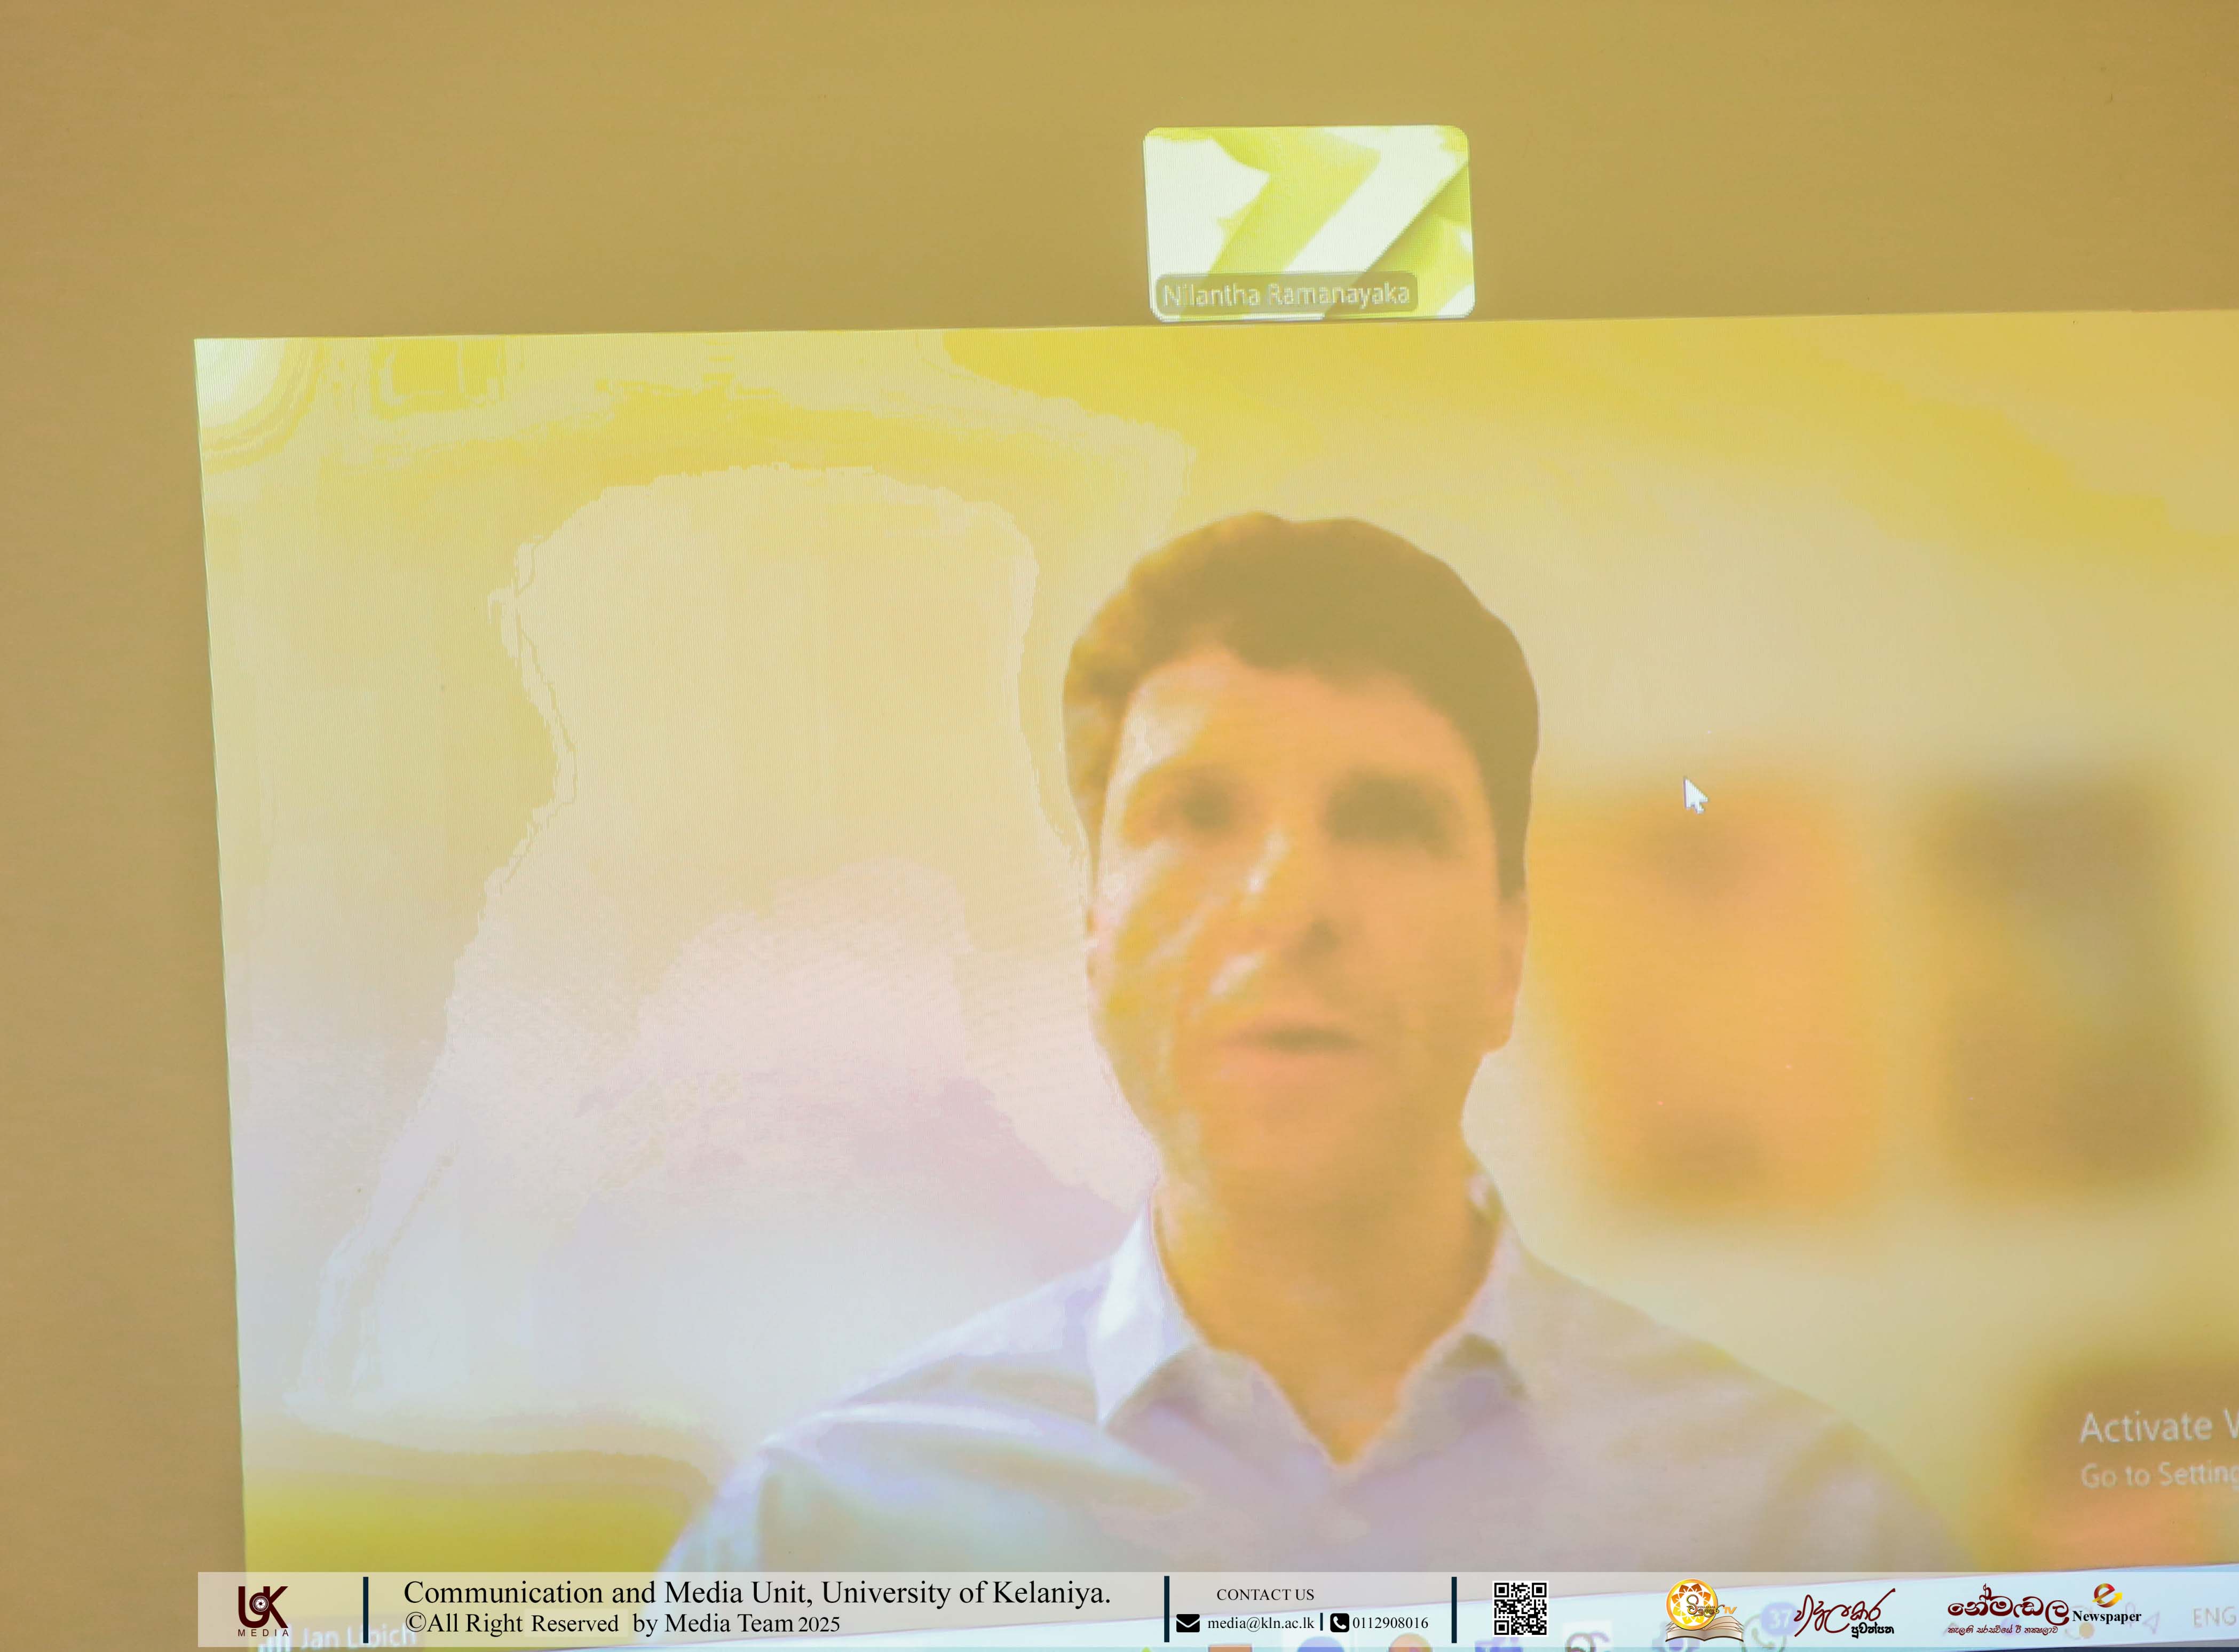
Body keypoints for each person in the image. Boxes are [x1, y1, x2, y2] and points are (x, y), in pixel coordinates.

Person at [665, 513, 1957, 1569]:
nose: (1288, 901)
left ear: (1505, 960)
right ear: (1095, 939)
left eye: (1386, 820)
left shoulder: (1813, 1538)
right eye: (1195, 812)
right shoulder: (812, 1544)